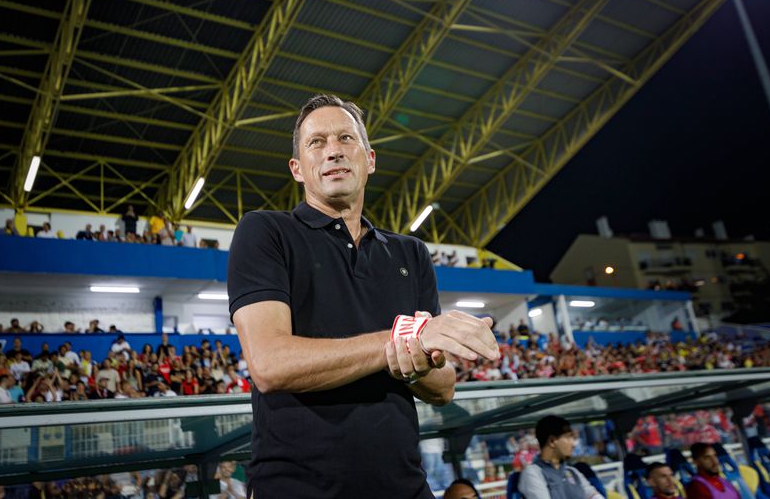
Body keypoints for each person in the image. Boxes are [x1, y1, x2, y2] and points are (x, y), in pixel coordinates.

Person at [228, 94, 500, 498]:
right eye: (316, 142)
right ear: (297, 169)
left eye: (346, 138)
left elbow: (443, 389)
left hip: (405, 487)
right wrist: (401, 341)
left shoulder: (411, 253)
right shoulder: (265, 231)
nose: (333, 150)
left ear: (369, 160)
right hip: (299, 490)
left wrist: (417, 361)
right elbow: (270, 364)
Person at [518, 415, 604, 499]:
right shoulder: (533, 473)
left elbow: (593, 495)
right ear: (552, 441)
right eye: (568, 437)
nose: (573, 444)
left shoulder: (572, 471)